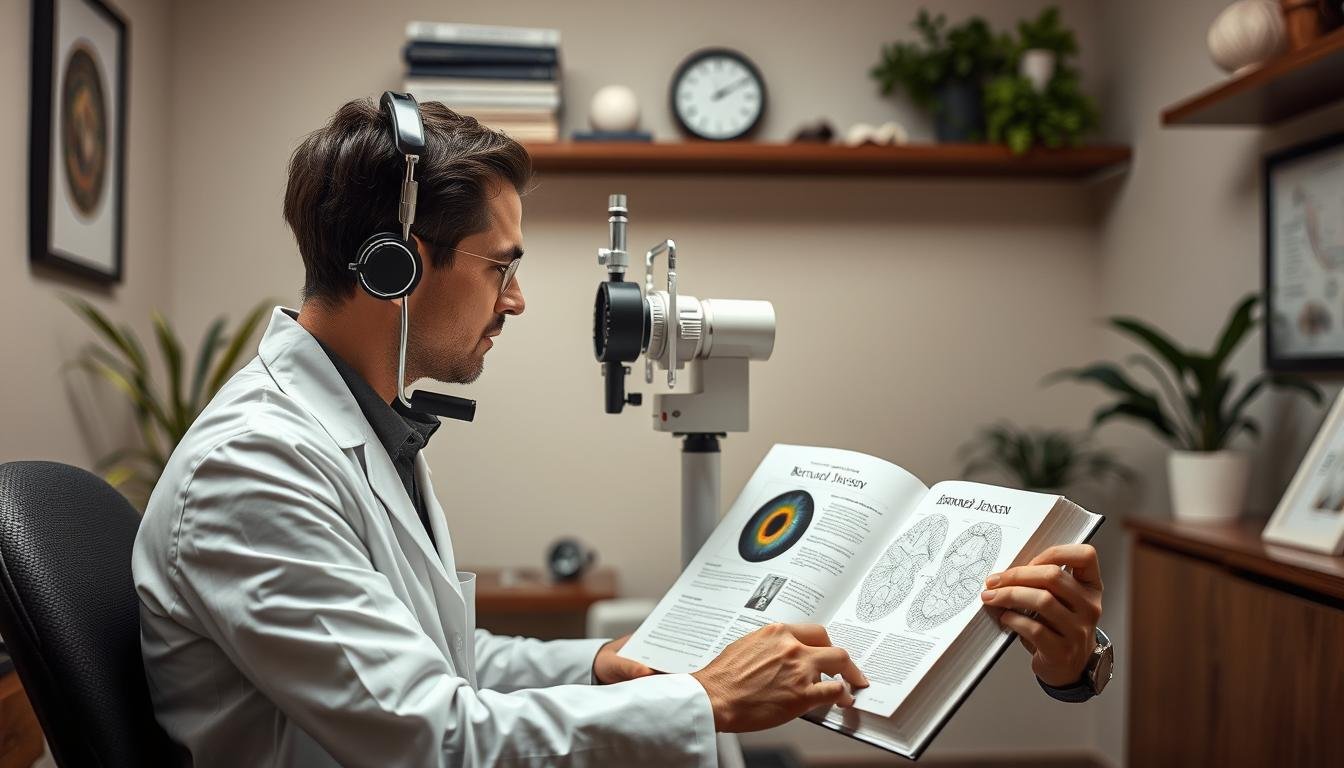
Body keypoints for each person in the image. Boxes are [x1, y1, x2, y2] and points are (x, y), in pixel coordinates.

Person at [132, 95, 1109, 768]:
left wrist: (607, 663)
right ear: (397, 264)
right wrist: (706, 699)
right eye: (501, 266)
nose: (517, 300)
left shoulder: (352, 426)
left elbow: (447, 665)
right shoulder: (256, 467)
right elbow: (437, 741)